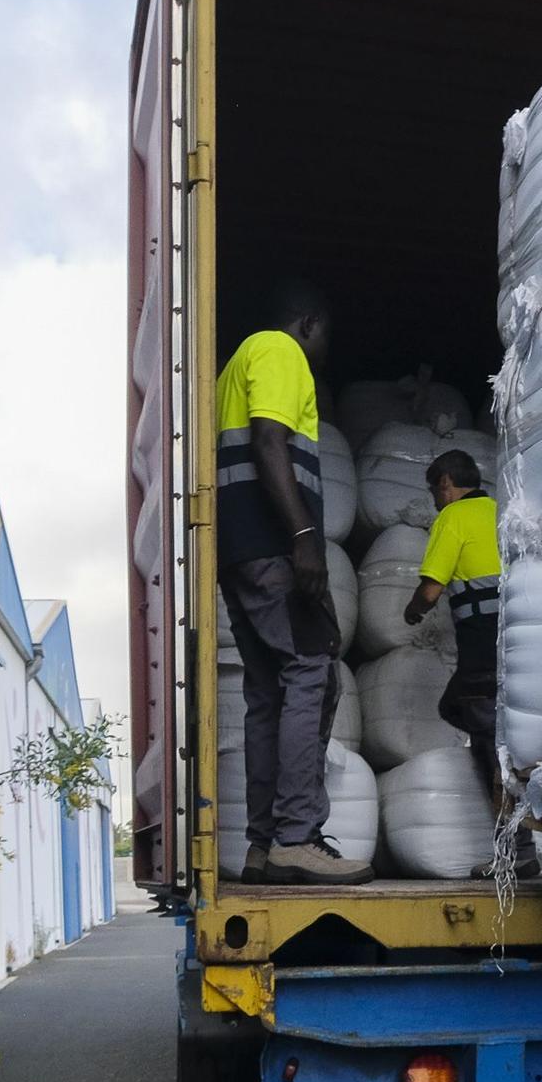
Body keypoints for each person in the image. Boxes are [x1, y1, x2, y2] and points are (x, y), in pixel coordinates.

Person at [216, 279, 371, 885]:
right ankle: (297, 836)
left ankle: (261, 845)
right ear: (308, 322)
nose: (325, 345)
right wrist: (304, 537)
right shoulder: (280, 351)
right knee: (313, 669)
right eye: (325, 333)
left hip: (238, 549)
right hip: (274, 547)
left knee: (267, 693)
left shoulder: (235, 365)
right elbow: (269, 440)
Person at [402, 450, 536, 878]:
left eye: (435, 491)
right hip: (520, 646)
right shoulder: (501, 512)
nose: (436, 501)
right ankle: (520, 843)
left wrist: (411, 613)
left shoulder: (453, 518)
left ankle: (516, 850)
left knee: (488, 748)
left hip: (483, 648)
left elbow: (430, 590)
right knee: (469, 717)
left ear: (445, 483)